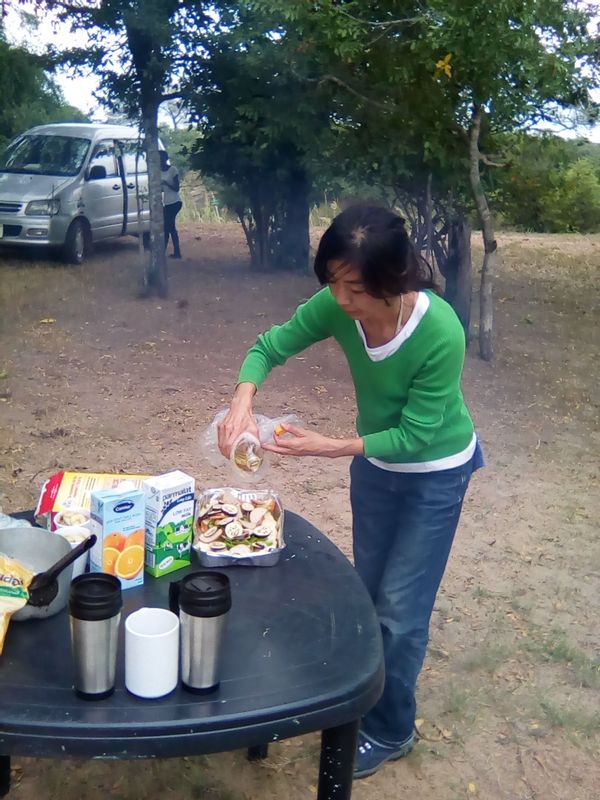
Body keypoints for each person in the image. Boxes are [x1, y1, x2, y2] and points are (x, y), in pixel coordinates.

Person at [217, 203, 484, 780]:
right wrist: (243, 400)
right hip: (376, 469)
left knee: (400, 613)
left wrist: (329, 445)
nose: (341, 299)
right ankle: (361, 700)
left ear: (394, 281)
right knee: (367, 591)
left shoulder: (439, 331)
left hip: (435, 473)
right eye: (333, 282)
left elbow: (416, 436)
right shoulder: (339, 305)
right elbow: (269, 346)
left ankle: (392, 728)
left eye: (355, 287)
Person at [160, 150, 182, 259]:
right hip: (167, 203)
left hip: (175, 202)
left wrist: (166, 184)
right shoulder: (158, 172)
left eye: (161, 159)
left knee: (168, 227)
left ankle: (164, 252)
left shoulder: (172, 170)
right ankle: (176, 252)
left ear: (165, 159)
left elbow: (177, 188)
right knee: (170, 227)